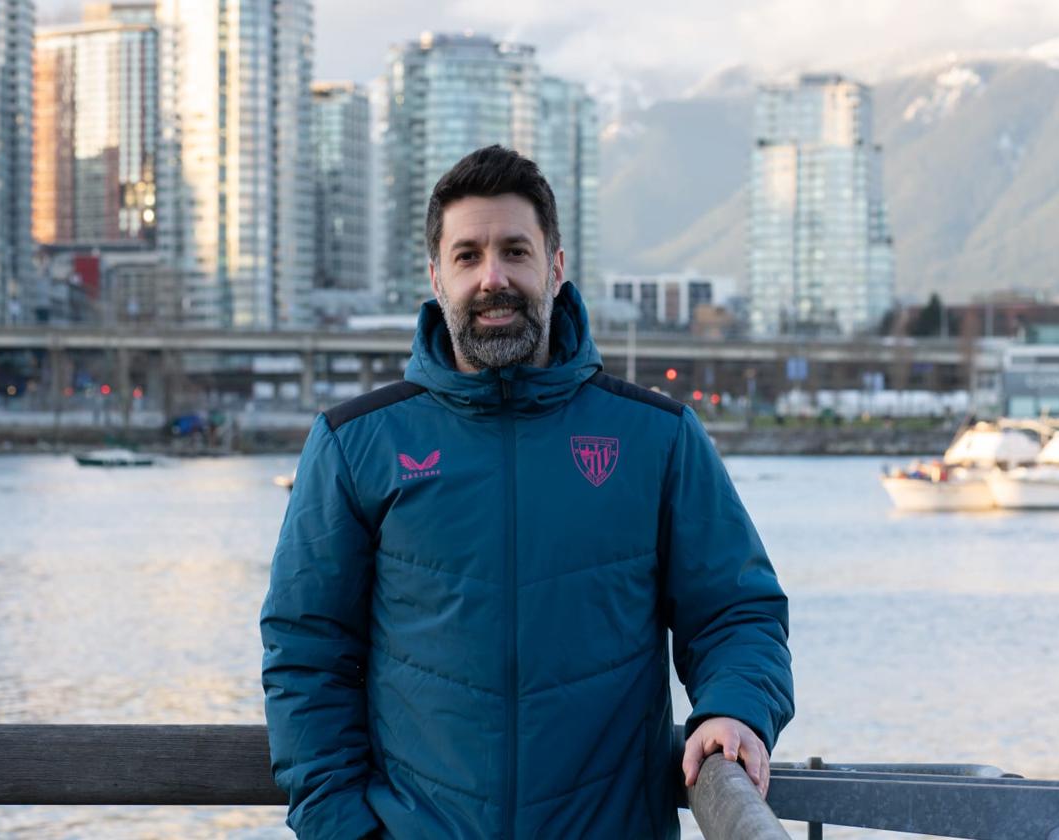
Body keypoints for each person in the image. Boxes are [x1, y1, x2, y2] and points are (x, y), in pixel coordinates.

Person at [260, 145, 794, 839]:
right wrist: (340, 828)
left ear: (557, 265)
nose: (493, 277)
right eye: (467, 256)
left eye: (515, 251)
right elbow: (306, 651)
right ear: (435, 275)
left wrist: (735, 709)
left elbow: (736, 610)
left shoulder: (657, 437)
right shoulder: (355, 443)